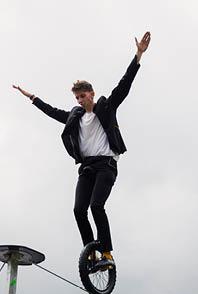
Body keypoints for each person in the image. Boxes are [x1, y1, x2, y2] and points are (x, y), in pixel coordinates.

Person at [13, 32, 151, 268]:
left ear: (92, 93)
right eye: (77, 97)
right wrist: (32, 98)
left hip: (106, 165)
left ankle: (107, 253)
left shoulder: (106, 107)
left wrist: (138, 54)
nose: (80, 100)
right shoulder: (75, 117)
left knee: (97, 206)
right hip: (87, 168)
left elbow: (124, 85)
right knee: (78, 210)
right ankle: (92, 254)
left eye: (83, 95)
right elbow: (53, 112)